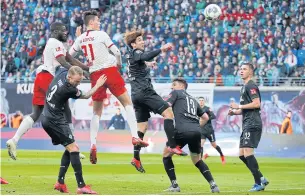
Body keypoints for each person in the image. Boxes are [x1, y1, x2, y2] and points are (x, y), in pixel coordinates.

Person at [69, 10, 148, 165]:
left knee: (96, 112)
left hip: (94, 74)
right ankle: (134, 136)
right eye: (97, 20)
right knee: (127, 103)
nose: (99, 23)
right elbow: (116, 51)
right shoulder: (101, 35)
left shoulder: (80, 39)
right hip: (109, 71)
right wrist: (118, 63)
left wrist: (85, 67)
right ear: (91, 23)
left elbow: (69, 55)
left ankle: (92, 143)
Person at [6, 22, 89, 160]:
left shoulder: (54, 43)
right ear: (56, 31)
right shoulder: (55, 42)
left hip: (40, 76)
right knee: (65, 107)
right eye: (63, 30)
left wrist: (86, 68)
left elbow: (71, 59)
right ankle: (72, 145)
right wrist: (79, 73)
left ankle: (14, 140)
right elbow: (63, 61)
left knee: (36, 112)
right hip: (48, 78)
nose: (66, 33)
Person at [124, 30, 188, 173]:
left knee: (142, 127)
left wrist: (148, 65)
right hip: (145, 92)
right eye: (139, 40)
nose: (143, 42)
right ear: (133, 44)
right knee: (168, 113)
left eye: (142, 39)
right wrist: (161, 49)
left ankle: (136, 158)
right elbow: (143, 55)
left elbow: (139, 64)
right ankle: (172, 145)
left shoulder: (130, 55)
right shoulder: (136, 52)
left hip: (135, 95)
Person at [42, 66, 105, 194]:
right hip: (55, 120)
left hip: (47, 117)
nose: (78, 84)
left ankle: (60, 182)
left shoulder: (62, 72)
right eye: (76, 82)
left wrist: (86, 74)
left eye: (79, 81)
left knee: (70, 147)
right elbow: (87, 95)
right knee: (74, 149)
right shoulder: (68, 89)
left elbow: (72, 68)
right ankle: (81, 186)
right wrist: (97, 85)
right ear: (69, 78)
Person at [162, 78, 219, 193]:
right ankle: (213, 185)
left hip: (181, 130)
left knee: (166, 155)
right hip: (196, 132)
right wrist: (196, 127)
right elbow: (206, 118)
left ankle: (174, 185)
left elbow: (166, 106)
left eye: (174, 85)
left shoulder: (175, 93)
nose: (171, 87)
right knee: (197, 160)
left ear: (182, 86)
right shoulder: (193, 99)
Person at [228, 63, 269, 192]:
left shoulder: (251, 85)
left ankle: (258, 183)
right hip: (247, 123)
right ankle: (261, 178)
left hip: (252, 123)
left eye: (244, 69)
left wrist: (238, 106)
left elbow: (256, 104)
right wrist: (235, 112)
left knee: (247, 153)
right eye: (240, 69)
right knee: (241, 155)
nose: (241, 71)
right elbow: (244, 109)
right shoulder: (243, 87)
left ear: (250, 72)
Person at [198, 97, 225, 164]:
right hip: (202, 131)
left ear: (204, 102)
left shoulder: (207, 108)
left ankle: (222, 156)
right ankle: (201, 160)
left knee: (214, 145)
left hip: (209, 131)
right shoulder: (197, 109)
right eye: (200, 101)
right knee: (200, 145)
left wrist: (206, 118)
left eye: (202, 100)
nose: (201, 102)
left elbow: (213, 116)